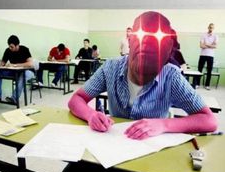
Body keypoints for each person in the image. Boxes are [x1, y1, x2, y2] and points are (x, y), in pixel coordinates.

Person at [68, 11, 217, 137]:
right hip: (114, 145)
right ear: (130, 40)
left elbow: (209, 120)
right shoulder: (110, 68)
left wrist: (164, 124)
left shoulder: (171, 76)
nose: (145, 42)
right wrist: (91, 115)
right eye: (140, 36)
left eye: (155, 39)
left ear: (166, 50)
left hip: (151, 148)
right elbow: (76, 99)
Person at [0, 35, 34, 105]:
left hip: (27, 71)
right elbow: (3, 62)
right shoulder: (8, 50)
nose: (10, 48)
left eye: (12, 47)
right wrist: (0, 63)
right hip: (14, 72)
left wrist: (15, 65)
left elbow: (30, 63)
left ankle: (14, 98)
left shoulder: (24, 49)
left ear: (17, 45)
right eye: (9, 46)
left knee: (24, 75)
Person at [193, 23, 218, 90]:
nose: (211, 29)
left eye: (212, 28)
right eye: (210, 27)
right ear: (208, 27)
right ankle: (197, 84)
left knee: (209, 71)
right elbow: (201, 46)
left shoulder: (215, 36)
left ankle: (207, 85)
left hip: (211, 56)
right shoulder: (203, 35)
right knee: (199, 69)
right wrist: (211, 45)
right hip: (203, 55)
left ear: (213, 28)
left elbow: (215, 46)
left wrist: (206, 44)